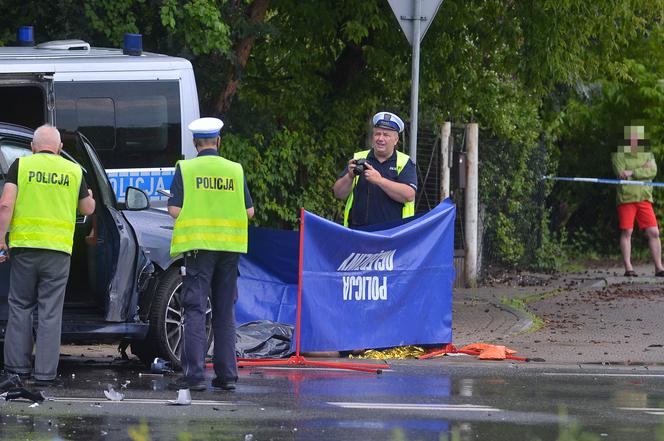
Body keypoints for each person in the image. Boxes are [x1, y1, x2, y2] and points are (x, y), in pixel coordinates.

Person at [0, 124, 95, 385]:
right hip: (58, 253)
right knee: (50, 312)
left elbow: (6, 204)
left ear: (33, 146)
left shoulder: (21, 165)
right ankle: (44, 374)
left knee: (20, 307)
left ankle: (17, 369)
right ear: (60, 148)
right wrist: (93, 198)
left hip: (25, 249)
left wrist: (0, 239)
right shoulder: (73, 170)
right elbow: (87, 207)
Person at [167, 117, 254, 392]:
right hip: (229, 249)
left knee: (194, 309)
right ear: (218, 141)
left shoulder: (187, 168)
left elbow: (174, 210)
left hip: (199, 248)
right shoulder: (235, 170)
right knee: (224, 310)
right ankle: (227, 376)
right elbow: (249, 211)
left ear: (195, 143)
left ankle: (194, 375)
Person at [333, 111, 417, 228]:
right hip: (359, 234)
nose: (380, 138)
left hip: (392, 236)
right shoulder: (359, 158)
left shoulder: (404, 162)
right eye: (377, 134)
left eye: (386, 135)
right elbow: (338, 194)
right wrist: (350, 176)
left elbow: (409, 195)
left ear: (396, 139)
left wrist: (379, 181)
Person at [611, 124, 664, 277]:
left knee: (654, 232)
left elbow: (652, 171)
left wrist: (633, 171)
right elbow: (621, 173)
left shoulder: (648, 154)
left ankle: (659, 268)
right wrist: (642, 169)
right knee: (627, 231)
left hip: (644, 198)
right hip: (626, 198)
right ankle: (629, 268)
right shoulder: (618, 154)